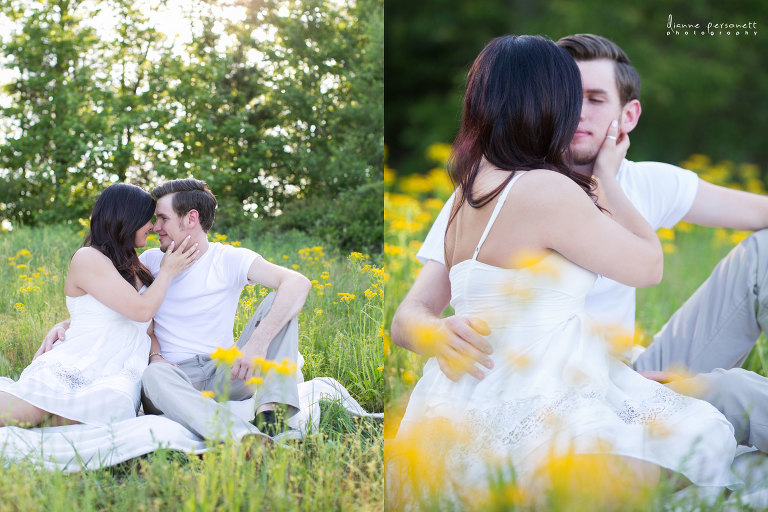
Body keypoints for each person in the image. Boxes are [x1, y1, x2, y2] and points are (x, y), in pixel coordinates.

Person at [390, 35, 737, 505]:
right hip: (536, 404)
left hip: (456, 409)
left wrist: (436, 331)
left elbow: (409, 314)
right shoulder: (546, 190)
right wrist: (608, 178)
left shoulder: (464, 195)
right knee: (705, 444)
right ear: (550, 102)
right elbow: (649, 265)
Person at [39, 178, 311, 441]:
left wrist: (257, 344)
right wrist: (65, 325)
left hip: (227, 371)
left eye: (163, 218)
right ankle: (240, 435)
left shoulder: (229, 258)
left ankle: (272, 418)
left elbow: (297, 283)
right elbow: (114, 307)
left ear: (191, 218)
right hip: (171, 375)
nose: (155, 226)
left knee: (281, 303)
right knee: (152, 374)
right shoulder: (150, 261)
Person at [0, 184, 199, 427]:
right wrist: (168, 271)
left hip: (117, 376)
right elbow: (140, 311)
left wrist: (155, 356)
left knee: (93, 422)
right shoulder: (88, 258)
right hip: (82, 360)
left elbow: (145, 327)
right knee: (24, 416)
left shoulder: (137, 267)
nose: (153, 227)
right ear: (126, 219)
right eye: (147, 219)